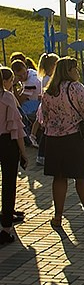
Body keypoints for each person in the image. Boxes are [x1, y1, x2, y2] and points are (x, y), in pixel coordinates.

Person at [37, 57, 84, 228]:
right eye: (75, 68)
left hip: (53, 140)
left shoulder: (49, 91)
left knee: (59, 177)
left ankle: (57, 217)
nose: (77, 72)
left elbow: (43, 117)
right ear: (68, 71)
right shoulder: (76, 88)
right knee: (82, 177)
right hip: (75, 139)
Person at [0, 67, 28, 244]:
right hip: (6, 142)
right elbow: (16, 129)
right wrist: (24, 153)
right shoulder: (7, 97)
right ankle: (6, 226)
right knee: (9, 183)